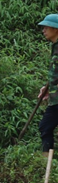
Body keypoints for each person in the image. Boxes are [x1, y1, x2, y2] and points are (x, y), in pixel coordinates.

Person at [36, 14, 58, 153]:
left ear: (56, 28)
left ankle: (46, 162)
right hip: (55, 99)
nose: (44, 30)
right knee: (45, 127)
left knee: (45, 126)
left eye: (46, 27)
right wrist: (48, 88)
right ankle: (47, 162)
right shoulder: (55, 47)